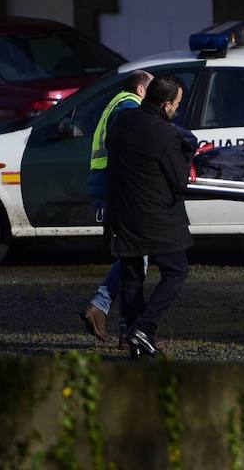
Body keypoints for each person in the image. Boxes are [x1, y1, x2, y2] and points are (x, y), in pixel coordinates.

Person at [105, 75, 194, 358]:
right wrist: (187, 154)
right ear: (166, 104)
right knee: (176, 270)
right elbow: (180, 181)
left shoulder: (123, 120)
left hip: (122, 212)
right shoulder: (166, 134)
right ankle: (143, 328)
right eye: (177, 103)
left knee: (131, 276)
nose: (177, 109)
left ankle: (138, 342)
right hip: (155, 217)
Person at [80, 70, 153, 346]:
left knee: (132, 258)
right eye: (152, 88)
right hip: (116, 191)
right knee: (135, 258)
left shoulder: (117, 103)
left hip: (107, 188)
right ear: (141, 89)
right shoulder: (129, 107)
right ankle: (102, 307)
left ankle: (126, 330)